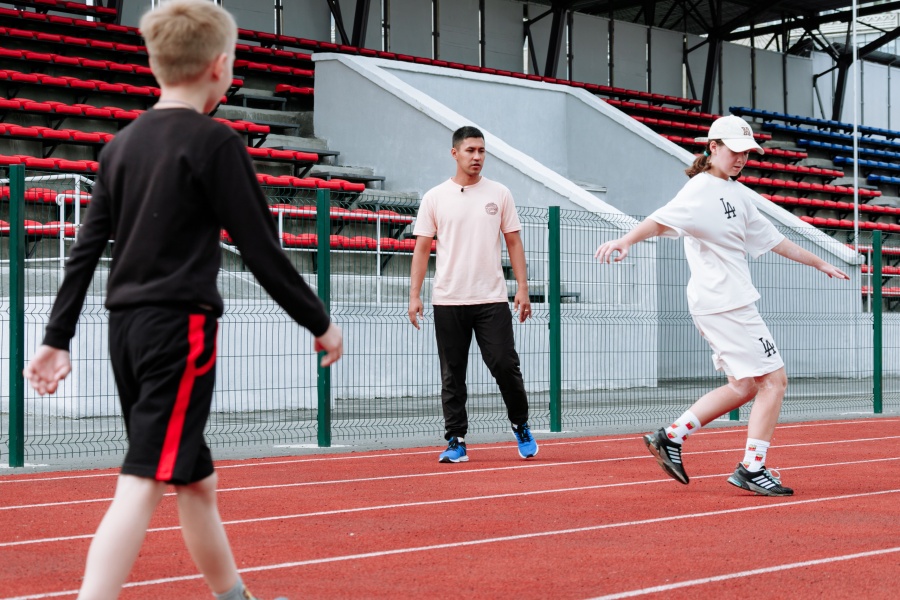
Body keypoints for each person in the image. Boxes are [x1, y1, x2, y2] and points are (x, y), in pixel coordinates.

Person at [22, 1, 342, 598]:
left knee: (195, 481)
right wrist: (320, 322)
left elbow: (85, 251)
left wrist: (55, 339)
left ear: (155, 63)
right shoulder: (216, 144)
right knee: (142, 479)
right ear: (220, 68)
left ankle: (233, 596)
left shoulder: (119, 146)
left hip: (127, 332)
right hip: (180, 332)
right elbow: (264, 252)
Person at [594, 115, 849, 496]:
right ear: (713, 147)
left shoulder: (737, 193)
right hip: (725, 303)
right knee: (774, 382)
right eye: (735, 150)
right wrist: (626, 240)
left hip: (723, 302)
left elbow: (774, 240)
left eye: (747, 152)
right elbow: (660, 220)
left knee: (745, 383)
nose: (742, 158)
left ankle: (670, 437)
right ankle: (752, 467)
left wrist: (820, 261)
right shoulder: (700, 189)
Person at [408, 126, 538, 463]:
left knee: (505, 364)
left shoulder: (500, 193)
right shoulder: (435, 197)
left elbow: (513, 242)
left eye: (481, 151)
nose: (477, 157)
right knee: (453, 373)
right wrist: (414, 295)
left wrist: (522, 288)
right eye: (470, 151)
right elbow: (422, 248)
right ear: (455, 153)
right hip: (448, 298)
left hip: (491, 298)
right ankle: (456, 440)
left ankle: (520, 424)